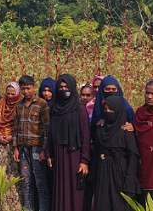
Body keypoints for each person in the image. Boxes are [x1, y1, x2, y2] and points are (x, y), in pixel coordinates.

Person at [46, 74, 91, 211]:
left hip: (74, 154)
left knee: (74, 189)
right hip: (59, 154)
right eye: (60, 87)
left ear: (72, 87)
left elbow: (85, 136)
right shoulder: (54, 109)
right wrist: (49, 154)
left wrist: (84, 160)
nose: (63, 89)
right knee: (60, 187)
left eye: (66, 87)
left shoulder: (79, 109)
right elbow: (50, 133)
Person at [90, 95, 140, 211]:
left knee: (118, 204)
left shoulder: (126, 131)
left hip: (119, 174)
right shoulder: (101, 128)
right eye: (106, 109)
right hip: (102, 173)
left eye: (111, 110)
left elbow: (133, 156)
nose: (108, 112)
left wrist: (130, 178)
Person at [13, 75, 51, 211]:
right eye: (23, 89)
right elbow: (15, 128)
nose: (26, 92)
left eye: (28, 88)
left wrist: (44, 150)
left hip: (37, 148)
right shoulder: (19, 106)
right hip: (23, 149)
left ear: (34, 87)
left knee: (40, 182)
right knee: (26, 181)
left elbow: (47, 129)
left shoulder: (42, 104)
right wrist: (15, 148)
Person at [0, 81, 23, 211]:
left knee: (13, 173)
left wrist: (12, 137)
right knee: (0, 172)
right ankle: (0, 204)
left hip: (14, 145)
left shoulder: (20, 106)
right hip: (0, 144)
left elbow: (22, 126)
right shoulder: (0, 104)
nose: (10, 96)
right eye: (8, 93)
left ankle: (14, 205)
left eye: (12, 94)